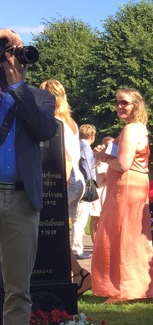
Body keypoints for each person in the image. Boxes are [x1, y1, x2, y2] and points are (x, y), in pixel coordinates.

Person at [0, 28, 58, 325]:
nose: (14, 55)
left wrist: (17, 87)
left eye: (18, 49)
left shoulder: (39, 97)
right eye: (8, 49)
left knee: (18, 287)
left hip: (22, 199)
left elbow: (44, 130)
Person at [91, 88, 153, 300]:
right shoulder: (138, 128)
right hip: (131, 185)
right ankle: (137, 286)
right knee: (130, 235)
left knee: (123, 235)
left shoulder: (131, 129)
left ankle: (127, 288)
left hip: (127, 186)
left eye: (124, 102)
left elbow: (123, 164)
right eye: (117, 102)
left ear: (136, 105)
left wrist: (103, 157)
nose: (119, 106)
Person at [39, 79, 92, 295]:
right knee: (60, 230)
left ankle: (78, 273)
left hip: (64, 177)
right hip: (76, 178)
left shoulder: (54, 120)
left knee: (51, 229)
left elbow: (62, 156)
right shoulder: (71, 121)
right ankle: (72, 274)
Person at [72, 123, 97, 258]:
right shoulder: (86, 148)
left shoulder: (76, 145)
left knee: (76, 217)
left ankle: (75, 247)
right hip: (84, 186)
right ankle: (77, 249)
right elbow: (88, 167)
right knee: (80, 219)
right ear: (92, 135)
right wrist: (92, 183)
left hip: (75, 184)